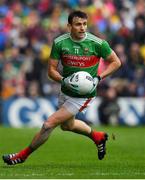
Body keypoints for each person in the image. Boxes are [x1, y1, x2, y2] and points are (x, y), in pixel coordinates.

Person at [2, 10, 121, 165]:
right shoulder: (60, 43)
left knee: (48, 125)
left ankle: (21, 156)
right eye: (78, 24)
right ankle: (98, 137)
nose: (82, 27)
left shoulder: (98, 43)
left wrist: (98, 78)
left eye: (85, 24)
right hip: (66, 90)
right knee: (67, 126)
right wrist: (64, 81)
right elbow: (51, 71)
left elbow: (116, 62)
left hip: (84, 94)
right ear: (69, 26)